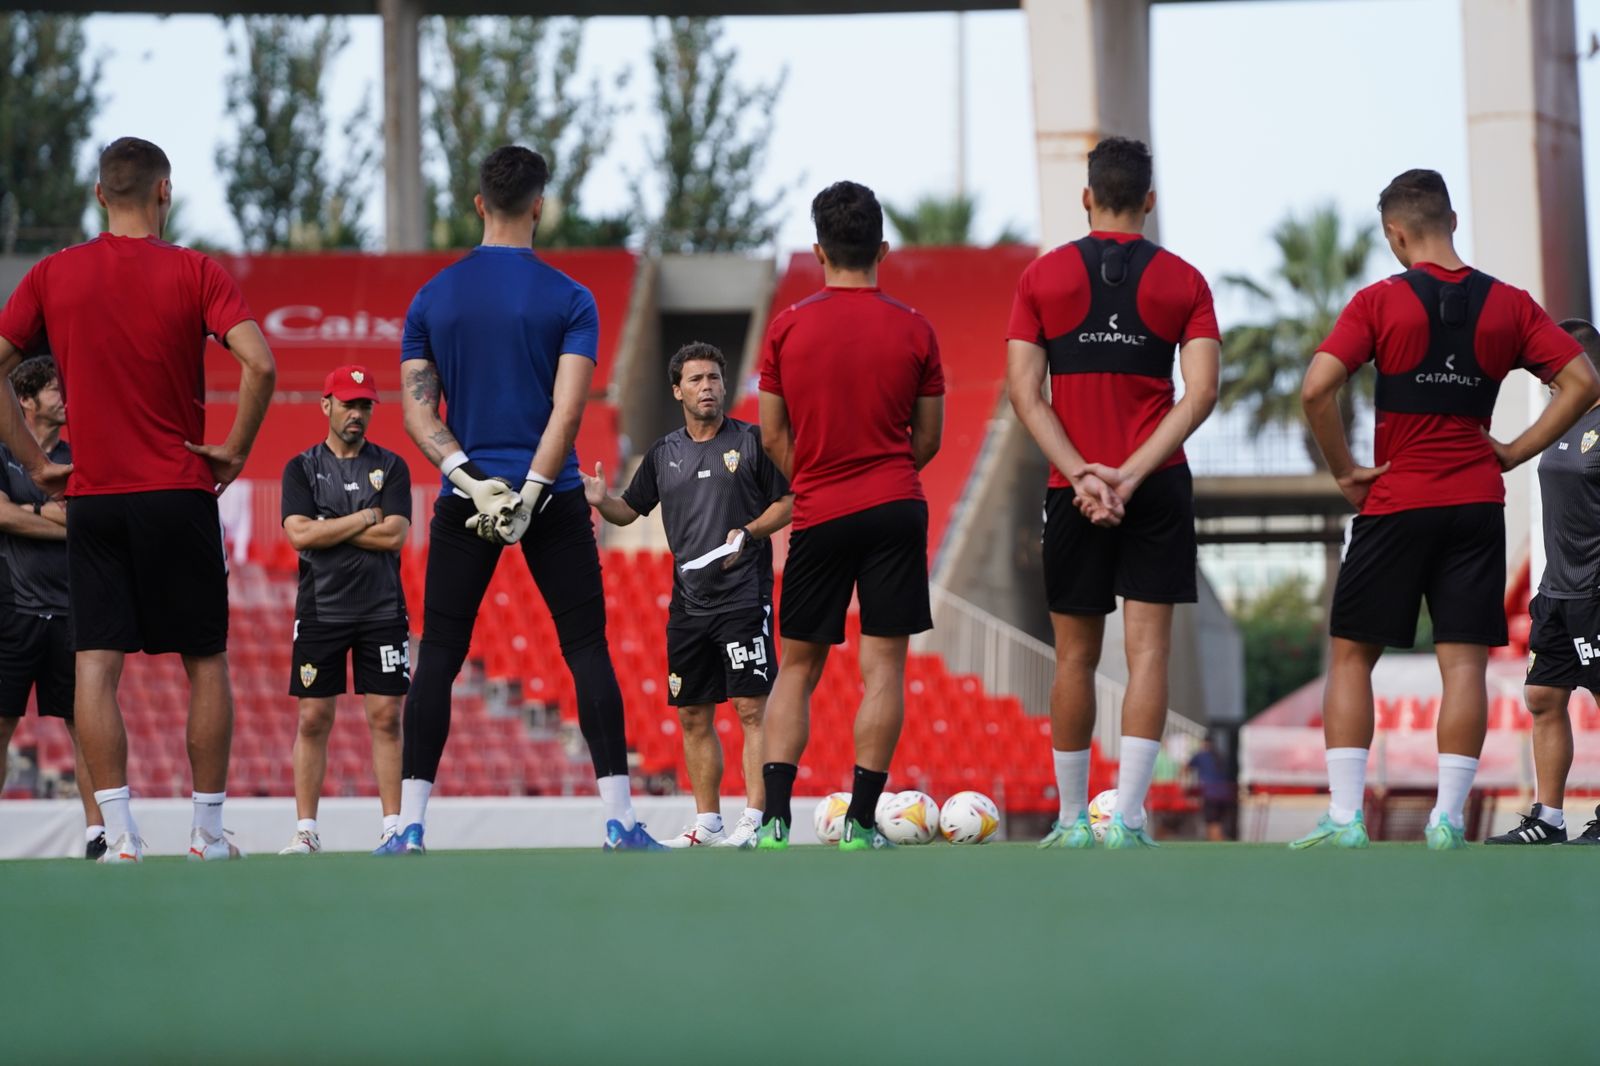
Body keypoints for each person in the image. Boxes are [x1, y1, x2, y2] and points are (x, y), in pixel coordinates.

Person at [1294, 168, 1600, 851]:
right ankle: (1447, 822)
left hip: (1396, 499)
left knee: (1351, 657)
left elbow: (1317, 387)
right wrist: (1516, 450)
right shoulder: (1511, 305)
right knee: (1461, 666)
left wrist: (1344, 469)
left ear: (1395, 235)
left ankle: (1346, 819)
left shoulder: (1379, 301)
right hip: (1474, 504)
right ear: (1453, 221)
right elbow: (1582, 380)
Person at [0, 137, 276, 864]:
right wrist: (237, 449)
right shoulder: (195, 271)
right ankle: (207, 833)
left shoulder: (54, 274)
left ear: (99, 196)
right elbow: (261, 362)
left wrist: (33, 463)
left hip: (93, 495)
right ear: (164, 193)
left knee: (96, 665)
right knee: (205, 661)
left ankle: (120, 837)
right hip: (179, 490)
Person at [398, 145, 661, 852]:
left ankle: (410, 825)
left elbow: (420, 412)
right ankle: (621, 822)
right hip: (556, 498)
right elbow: (568, 413)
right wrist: (535, 492)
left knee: (442, 657)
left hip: (466, 499)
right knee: (586, 651)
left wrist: (470, 480)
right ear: (539, 206)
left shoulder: (431, 298)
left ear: (479, 204)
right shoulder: (571, 297)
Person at [1006, 136, 1221, 850]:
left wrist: (1083, 475)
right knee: (1149, 655)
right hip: (1154, 486)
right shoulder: (1184, 281)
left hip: (1075, 490)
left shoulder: (1043, 278)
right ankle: (1126, 820)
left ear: (1088, 197)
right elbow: (1201, 395)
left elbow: (1025, 395)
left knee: (1073, 658)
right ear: (1150, 202)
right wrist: (1130, 473)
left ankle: (1071, 822)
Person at [755, 180, 944, 851]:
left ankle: (774, 821)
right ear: (882, 249)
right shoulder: (915, 327)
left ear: (818, 250)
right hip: (895, 503)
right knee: (883, 669)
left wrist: (811, 478)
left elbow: (771, 433)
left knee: (797, 668)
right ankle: (863, 823)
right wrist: (885, 473)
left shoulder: (788, 326)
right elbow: (929, 439)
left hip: (819, 509)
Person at [583, 342, 792, 848]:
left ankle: (755, 820)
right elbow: (629, 512)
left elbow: (789, 500)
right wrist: (600, 501)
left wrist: (750, 531)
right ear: (677, 390)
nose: (707, 388)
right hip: (689, 605)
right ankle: (708, 822)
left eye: (714, 379)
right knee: (694, 714)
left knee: (749, 709)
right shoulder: (663, 453)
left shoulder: (752, 442)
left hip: (744, 597)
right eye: (696, 380)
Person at [278, 365, 412, 856]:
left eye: (365, 405)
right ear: (326, 405)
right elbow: (298, 534)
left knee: (386, 717)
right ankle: (307, 829)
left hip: (381, 607)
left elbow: (395, 534)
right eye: (349, 404)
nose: (358, 414)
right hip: (321, 609)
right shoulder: (301, 467)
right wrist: (363, 518)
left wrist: (329, 525)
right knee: (313, 717)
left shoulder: (392, 466)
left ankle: (394, 827)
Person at [1488, 320, 1600, 845]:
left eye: (1552, 362)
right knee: (1541, 696)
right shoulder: (1559, 423)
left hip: (1596, 592)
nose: (1546, 373)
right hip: (1556, 592)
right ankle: (1548, 819)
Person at [0, 356, 105, 858]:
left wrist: (24, 513)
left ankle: (98, 835)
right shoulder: (2, 454)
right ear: (26, 400)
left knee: (85, 726)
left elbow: (89, 520)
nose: (65, 397)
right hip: (12, 610)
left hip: (71, 609)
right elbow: (3, 518)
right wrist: (48, 514)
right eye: (54, 389)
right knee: (1, 724)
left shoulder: (78, 456)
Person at [1187, 736, 1236, 842]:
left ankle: (1219, 844)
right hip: (1225, 793)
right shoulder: (1220, 755)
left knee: (1212, 822)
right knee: (1217, 821)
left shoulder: (1201, 755)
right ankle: (1218, 841)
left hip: (1211, 793)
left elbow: (1186, 769)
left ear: (1203, 743)